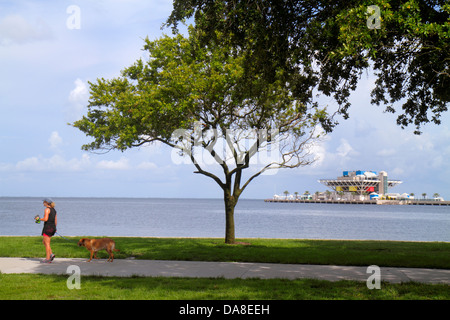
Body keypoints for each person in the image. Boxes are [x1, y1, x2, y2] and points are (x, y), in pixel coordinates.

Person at [36, 198, 57, 263]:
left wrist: (38, 219)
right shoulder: (54, 210)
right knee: (44, 242)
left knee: (47, 243)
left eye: (44, 202)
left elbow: (45, 219)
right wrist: (55, 228)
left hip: (47, 228)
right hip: (52, 227)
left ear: (47, 203)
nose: (43, 203)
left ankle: (48, 259)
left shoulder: (47, 209)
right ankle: (51, 254)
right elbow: (55, 220)